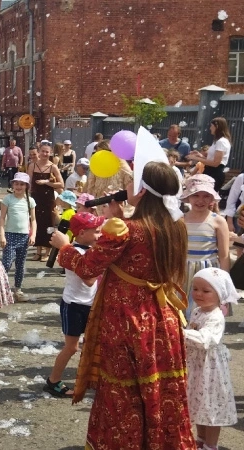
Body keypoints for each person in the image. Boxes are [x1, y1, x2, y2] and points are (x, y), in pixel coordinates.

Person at [50, 160, 194, 449]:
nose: (125, 184)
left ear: (141, 189)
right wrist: (118, 214)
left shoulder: (124, 229)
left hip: (127, 321)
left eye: (131, 180)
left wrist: (64, 247)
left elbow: (88, 267)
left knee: (122, 394)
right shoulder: (176, 226)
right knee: (160, 389)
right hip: (163, 318)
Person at [43, 212, 103, 398]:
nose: (100, 235)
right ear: (83, 233)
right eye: (97, 231)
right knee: (71, 347)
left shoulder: (86, 250)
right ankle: (53, 381)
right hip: (74, 305)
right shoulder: (73, 252)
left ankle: (90, 378)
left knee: (94, 344)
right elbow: (90, 279)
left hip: (90, 304)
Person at [185, 268, 238, 450]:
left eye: (206, 291)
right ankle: (199, 440)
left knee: (211, 406)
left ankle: (210, 445)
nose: (198, 294)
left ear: (219, 294)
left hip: (211, 368)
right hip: (197, 365)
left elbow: (205, 339)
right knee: (199, 404)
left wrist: (179, 332)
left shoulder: (216, 316)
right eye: (195, 288)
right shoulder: (197, 310)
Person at [182, 175, 229, 317]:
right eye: (196, 195)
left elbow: (224, 255)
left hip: (208, 271)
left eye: (206, 196)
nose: (200, 200)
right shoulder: (180, 220)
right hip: (185, 270)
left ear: (211, 199)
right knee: (185, 309)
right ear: (188, 197)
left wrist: (224, 280)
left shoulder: (218, 221)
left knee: (207, 310)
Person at [0, 173, 36, 302]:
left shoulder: (29, 200)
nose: (19, 186)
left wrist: (33, 234)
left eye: (22, 184)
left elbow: (34, 220)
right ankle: (0, 288)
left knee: (20, 265)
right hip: (10, 235)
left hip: (24, 236)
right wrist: (2, 235)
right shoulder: (8, 199)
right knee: (6, 263)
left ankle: (18, 289)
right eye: (16, 183)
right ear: (12, 185)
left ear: (26, 186)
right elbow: (2, 218)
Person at [27, 143, 63, 261]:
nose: (45, 154)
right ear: (39, 152)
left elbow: (61, 184)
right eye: (43, 151)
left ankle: (47, 252)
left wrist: (46, 182)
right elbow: (28, 182)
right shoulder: (32, 165)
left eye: (47, 152)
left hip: (48, 199)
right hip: (36, 197)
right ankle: (38, 251)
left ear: (51, 153)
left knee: (49, 223)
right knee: (36, 222)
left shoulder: (53, 167)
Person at [189, 117, 231, 193]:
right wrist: (200, 156)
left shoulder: (221, 142)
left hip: (215, 173)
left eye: (211, 126)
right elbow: (212, 159)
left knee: (208, 198)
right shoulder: (217, 141)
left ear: (217, 127)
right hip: (210, 171)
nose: (210, 128)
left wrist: (196, 158)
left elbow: (216, 163)